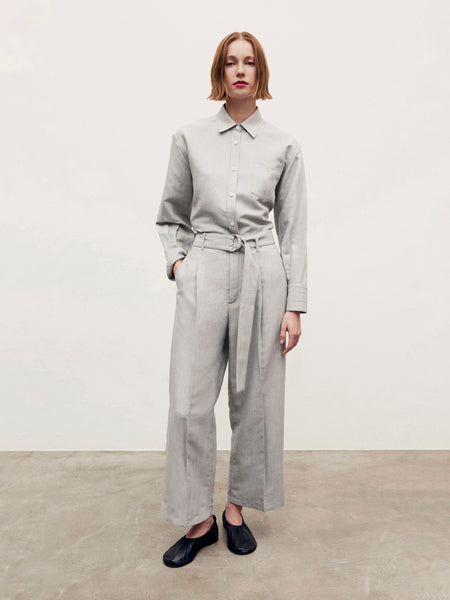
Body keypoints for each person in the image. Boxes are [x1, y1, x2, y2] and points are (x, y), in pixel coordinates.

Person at [156, 31, 308, 568]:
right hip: (205, 269)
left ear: (260, 72)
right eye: (230, 62)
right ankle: (198, 521)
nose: (240, 70)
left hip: (264, 274)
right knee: (188, 401)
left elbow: (292, 232)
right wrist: (181, 265)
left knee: (256, 400)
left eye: (249, 62)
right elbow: (170, 216)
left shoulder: (284, 146)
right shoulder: (189, 138)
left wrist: (294, 304)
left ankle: (236, 510)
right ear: (219, 72)